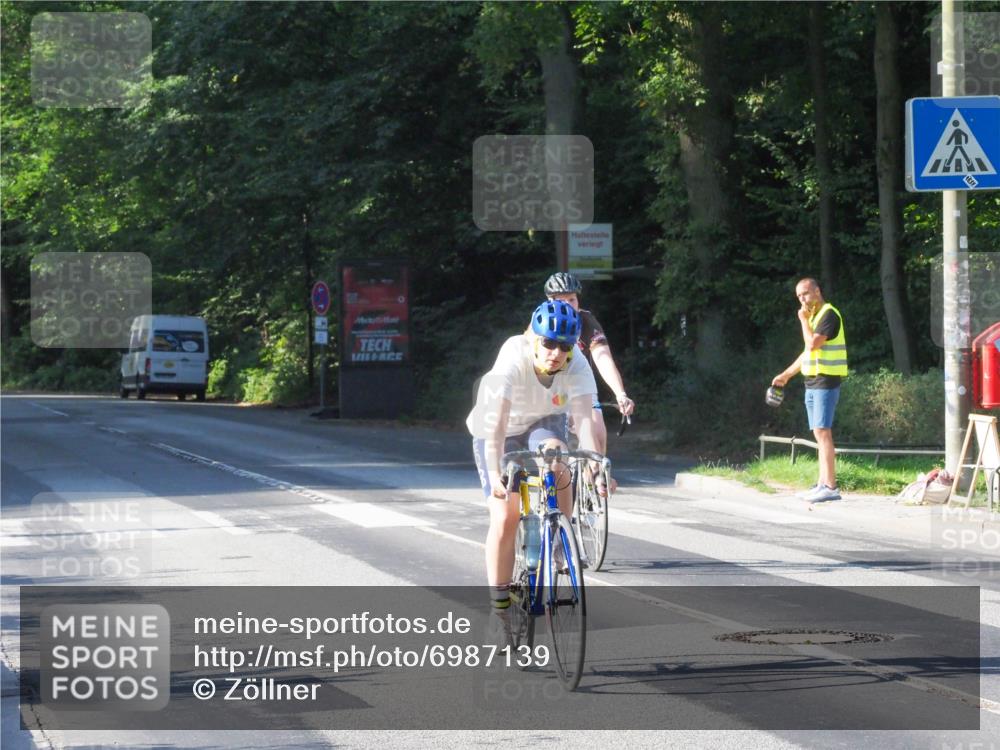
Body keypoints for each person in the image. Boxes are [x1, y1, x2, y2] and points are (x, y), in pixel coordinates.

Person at [467, 299, 600, 636]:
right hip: (498, 429)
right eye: (549, 343)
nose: (556, 353)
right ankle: (499, 611)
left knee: (559, 458)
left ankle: (560, 540)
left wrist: (593, 463)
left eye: (565, 346)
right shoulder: (513, 357)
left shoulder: (576, 363)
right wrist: (496, 474)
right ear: (534, 339)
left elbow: (585, 420)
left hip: (543, 419)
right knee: (505, 515)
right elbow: (496, 427)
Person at [771, 278, 848, 502]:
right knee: (817, 432)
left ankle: (831, 487)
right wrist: (786, 375)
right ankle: (822, 484)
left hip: (826, 380)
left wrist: (803, 321)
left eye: (805, 293)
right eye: (799, 296)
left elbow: (812, 344)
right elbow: (807, 353)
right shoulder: (814, 317)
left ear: (817, 291)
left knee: (823, 432)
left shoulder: (829, 314)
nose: (802, 299)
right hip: (812, 382)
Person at [543, 272, 635, 455]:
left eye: (572, 299)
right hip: (550, 386)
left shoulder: (586, 321)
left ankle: (598, 472)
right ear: (549, 301)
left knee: (597, 433)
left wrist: (620, 393)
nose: (568, 305)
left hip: (580, 384)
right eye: (561, 300)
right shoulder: (542, 320)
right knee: (554, 449)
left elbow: (602, 357)